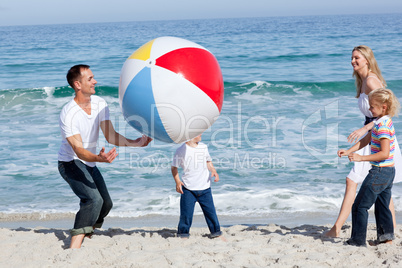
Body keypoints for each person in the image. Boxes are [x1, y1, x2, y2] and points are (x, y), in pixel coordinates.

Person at [58, 64, 152, 249]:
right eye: (90, 79)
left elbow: (110, 135)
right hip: (70, 162)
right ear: (78, 84)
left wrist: (136, 142)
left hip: (90, 163)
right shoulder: (68, 113)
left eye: (94, 77)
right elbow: (78, 151)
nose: (95, 81)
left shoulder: (100, 103)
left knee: (105, 204)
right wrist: (99, 158)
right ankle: (74, 245)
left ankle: (87, 234)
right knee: (93, 200)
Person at [326, 45, 402, 237]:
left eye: (357, 58)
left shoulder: (371, 81)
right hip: (372, 134)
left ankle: (336, 229)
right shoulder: (362, 81)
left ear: (367, 60)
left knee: (353, 180)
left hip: (378, 136)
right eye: (352, 58)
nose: (353, 61)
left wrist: (365, 128)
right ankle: (390, 229)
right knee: (382, 188)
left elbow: (386, 109)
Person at [338, 88, 400, 246]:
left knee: (359, 206)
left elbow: (384, 153)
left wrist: (361, 158)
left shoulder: (384, 126)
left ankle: (357, 241)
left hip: (380, 172)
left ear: (383, 107)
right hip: (387, 172)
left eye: (372, 106)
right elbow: (366, 140)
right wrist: (349, 151)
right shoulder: (380, 122)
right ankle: (385, 238)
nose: (369, 109)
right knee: (382, 205)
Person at [171, 134, 223, 239]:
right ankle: (183, 234)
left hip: (205, 187)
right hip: (188, 189)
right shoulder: (181, 150)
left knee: (211, 213)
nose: (201, 134)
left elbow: (208, 161)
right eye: (198, 132)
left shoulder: (203, 147)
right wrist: (177, 181)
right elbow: (174, 168)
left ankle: (216, 232)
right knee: (186, 215)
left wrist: (213, 170)